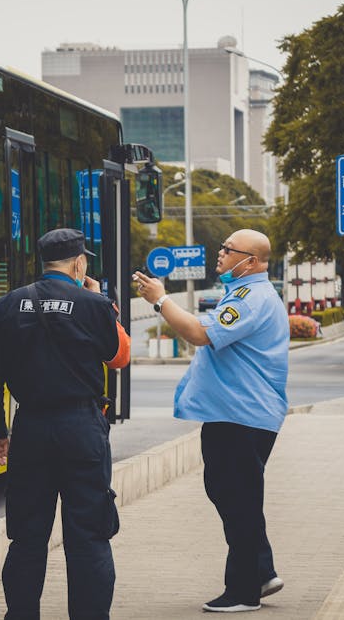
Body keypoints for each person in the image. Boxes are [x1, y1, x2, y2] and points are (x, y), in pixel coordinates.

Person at [133, 228, 289, 613]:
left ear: (250, 261)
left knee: (237, 499)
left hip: (241, 416)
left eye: (228, 250)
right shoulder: (242, 293)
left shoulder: (252, 298)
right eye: (222, 247)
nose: (220, 254)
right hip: (235, 414)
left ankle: (243, 591)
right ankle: (261, 571)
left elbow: (200, 333)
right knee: (235, 495)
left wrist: (161, 300)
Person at [0, 228, 131, 620]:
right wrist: (103, 303)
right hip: (81, 428)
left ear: (44, 262)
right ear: (79, 264)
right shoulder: (92, 304)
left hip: (30, 428)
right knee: (90, 536)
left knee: (27, 538)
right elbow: (119, 357)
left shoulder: (9, 305)